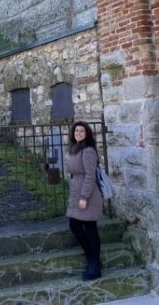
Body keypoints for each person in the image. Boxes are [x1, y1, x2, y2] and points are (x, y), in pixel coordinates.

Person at [65, 120, 103, 281]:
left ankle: (94, 265)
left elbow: (90, 175)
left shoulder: (88, 151)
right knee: (75, 225)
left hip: (87, 194)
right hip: (76, 192)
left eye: (82, 131)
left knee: (90, 227)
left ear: (87, 133)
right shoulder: (75, 149)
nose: (78, 133)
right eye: (76, 131)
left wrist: (84, 197)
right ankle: (92, 259)